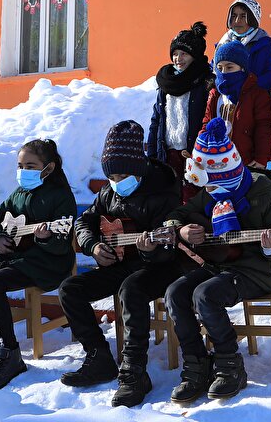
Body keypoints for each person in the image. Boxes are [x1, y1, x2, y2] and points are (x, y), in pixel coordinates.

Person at [57, 120, 184, 407]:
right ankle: (99, 357)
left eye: (124, 174)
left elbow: (171, 247)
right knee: (70, 289)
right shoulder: (109, 192)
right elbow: (85, 222)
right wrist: (93, 245)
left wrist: (150, 251)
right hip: (120, 263)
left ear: (139, 168)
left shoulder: (163, 192)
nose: (117, 180)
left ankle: (134, 372)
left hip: (160, 267)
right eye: (112, 175)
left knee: (131, 289)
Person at [163, 118, 271, 404]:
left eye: (211, 185)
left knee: (205, 295)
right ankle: (196, 363)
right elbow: (176, 215)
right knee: (175, 292)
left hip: (257, 271)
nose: (207, 191)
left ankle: (230, 365)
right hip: (219, 266)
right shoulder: (211, 192)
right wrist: (180, 230)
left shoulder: (264, 192)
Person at [0, 138, 77, 388]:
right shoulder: (19, 194)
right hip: (17, 259)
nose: (23, 171)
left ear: (49, 168)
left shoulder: (61, 197)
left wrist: (45, 238)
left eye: (30, 166)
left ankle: (10, 354)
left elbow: (62, 243)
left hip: (47, 264)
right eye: (20, 166)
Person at [146, 21, 213, 203]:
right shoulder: (166, 84)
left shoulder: (204, 83)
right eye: (175, 54)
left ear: (195, 56)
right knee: (169, 200)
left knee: (192, 202)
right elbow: (156, 122)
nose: (178, 58)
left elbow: (208, 119)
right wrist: (152, 155)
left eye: (184, 54)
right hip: (168, 155)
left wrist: (200, 152)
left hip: (193, 154)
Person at [192, 40, 271, 184]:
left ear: (242, 68)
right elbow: (206, 124)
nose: (224, 72)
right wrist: (200, 151)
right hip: (216, 163)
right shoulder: (215, 93)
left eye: (229, 67)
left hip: (247, 163)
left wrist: (261, 158)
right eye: (220, 68)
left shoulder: (257, 93)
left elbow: (264, 126)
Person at [216, 0, 271, 93]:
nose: (237, 21)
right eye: (234, 16)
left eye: (243, 16)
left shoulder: (265, 44)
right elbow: (214, 70)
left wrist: (251, 85)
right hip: (227, 99)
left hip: (257, 98)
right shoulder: (223, 43)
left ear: (253, 19)